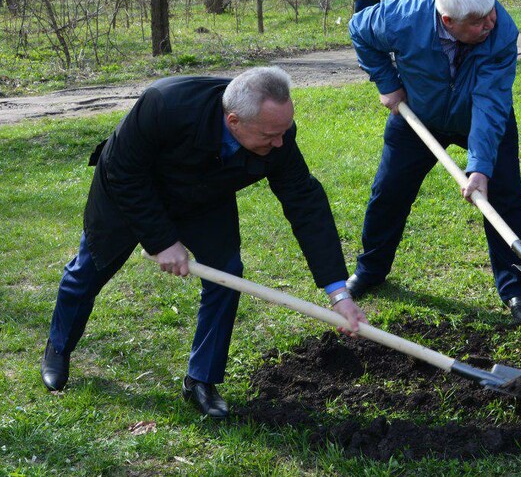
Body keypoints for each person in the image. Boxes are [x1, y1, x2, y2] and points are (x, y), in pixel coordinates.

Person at [40, 67, 367, 419]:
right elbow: (123, 171)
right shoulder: (165, 104)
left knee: (226, 273)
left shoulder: (277, 135)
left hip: (203, 196)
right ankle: (59, 346)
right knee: (90, 268)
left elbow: (305, 202)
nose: (280, 143)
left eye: (284, 131)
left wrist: (338, 293)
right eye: (271, 135)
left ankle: (201, 379)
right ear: (234, 120)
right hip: (130, 189)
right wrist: (162, 240)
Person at [346, 0, 521, 325]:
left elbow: (491, 100)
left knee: (505, 195)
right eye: (478, 23)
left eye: (491, 14)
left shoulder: (502, 31)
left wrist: (480, 167)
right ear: (447, 20)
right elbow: (359, 29)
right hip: (418, 113)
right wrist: (387, 82)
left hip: (479, 118)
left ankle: (516, 291)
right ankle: (370, 270)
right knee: (389, 192)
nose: (489, 25)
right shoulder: (402, 17)